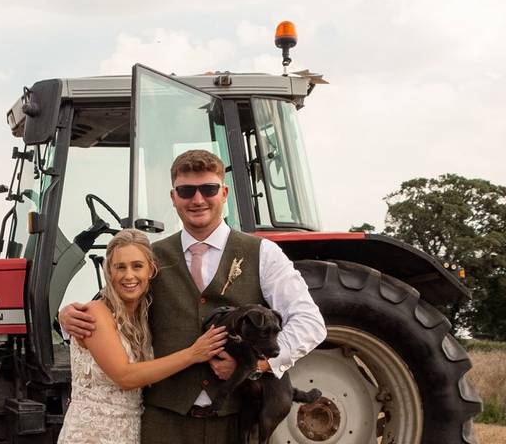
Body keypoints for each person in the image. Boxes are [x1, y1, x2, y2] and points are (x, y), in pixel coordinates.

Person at [61, 149, 326, 443]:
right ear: (174, 197)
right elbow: (105, 308)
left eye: (208, 189)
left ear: (223, 193)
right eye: (186, 191)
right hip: (163, 423)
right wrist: (67, 316)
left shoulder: (263, 253)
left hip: (233, 423)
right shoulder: (151, 257)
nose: (197, 199)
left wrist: (258, 366)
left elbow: (309, 322)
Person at [57, 228, 229, 444]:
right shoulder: (96, 313)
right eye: (120, 267)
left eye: (137, 266)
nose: (129, 276)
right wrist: (193, 354)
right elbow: (125, 376)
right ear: (108, 271)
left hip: (130, 431)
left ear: (151, 270)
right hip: (93, 435)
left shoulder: (144, 316)